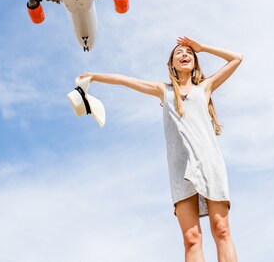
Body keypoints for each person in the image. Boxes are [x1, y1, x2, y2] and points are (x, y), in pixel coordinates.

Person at [79, 36, 242, 262]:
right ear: (172, 65)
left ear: (195, 61)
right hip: (179, 169)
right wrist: (94, 77)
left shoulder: (204, 88)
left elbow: (236, 58)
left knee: (221, 229)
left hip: (209, 163)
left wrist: (202, 47)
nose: (184, 55)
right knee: (191, 238)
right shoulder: (163, 91)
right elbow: (125, 80)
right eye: (179, 53)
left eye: (189, 53)